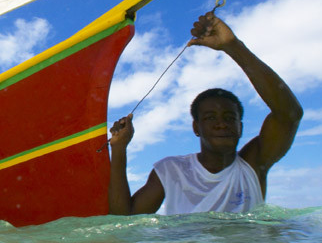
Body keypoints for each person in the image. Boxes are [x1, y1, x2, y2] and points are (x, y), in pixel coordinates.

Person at [108, 12, 303, 215]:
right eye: (211, 118)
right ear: (196, 127)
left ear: (241, 127)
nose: (221, 124)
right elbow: (125, 217)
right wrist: (119, 149)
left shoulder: (253, 164)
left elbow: (289, 114)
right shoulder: (171, 171)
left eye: (230, 118)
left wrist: (233, 46)